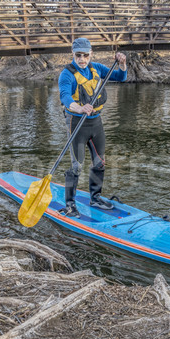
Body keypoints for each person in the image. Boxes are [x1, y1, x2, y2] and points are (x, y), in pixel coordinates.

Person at [58, 37, 127, 218]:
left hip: (96, 122)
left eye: (85, 55)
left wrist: (123, 63)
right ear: (72, 54)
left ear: (91, 54)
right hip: (76, 122)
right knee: (76, 166)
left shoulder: (97, 68)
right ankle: (70, 204)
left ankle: (95, 198)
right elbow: (65, 97)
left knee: (99, 162)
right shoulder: (66, 74)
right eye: (78, 55)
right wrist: (80, 108)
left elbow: (121, 77)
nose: (82, 59)